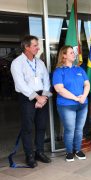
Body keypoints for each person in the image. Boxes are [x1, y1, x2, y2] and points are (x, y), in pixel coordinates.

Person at [10, 35, 52, 168]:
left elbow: (46, 80)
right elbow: (20, 84)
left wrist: (43, 97)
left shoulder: (40, 63)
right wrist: (36, 97)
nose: (38, 48)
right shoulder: (17, 63)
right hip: (27, 97)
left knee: (41, 126)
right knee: (27, 128)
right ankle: (29, 155)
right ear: (26, 47)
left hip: (42, 97)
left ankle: (39, 151)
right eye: (35, 45)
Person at [52, 45, 90, 162]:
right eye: (71, 53)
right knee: (70, 129)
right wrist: (76, 98)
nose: (74, 54)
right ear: (63, 55)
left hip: (82, 104)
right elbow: (59, 89)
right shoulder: (59, 71)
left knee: (79, 129)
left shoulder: (79, 69)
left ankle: (77, 150)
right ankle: (69, 152)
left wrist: (83, 96)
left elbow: (87, 84)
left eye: (74, 53)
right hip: (66, 105)